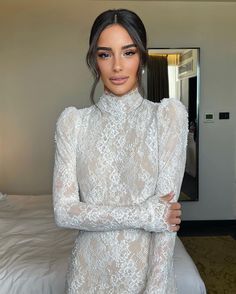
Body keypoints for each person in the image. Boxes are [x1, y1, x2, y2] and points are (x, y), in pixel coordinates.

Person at [53, 8, 188, 294]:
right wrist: (145, 215)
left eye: (128, 53)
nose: (117, 66)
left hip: (145, 277)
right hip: (87, 275)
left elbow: (165, 228)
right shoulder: (73, 123)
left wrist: (155, 290)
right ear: (94, 60)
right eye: (105, 54)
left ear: (141, 56)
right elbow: (64, 213)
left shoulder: (166, 117)